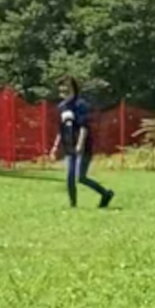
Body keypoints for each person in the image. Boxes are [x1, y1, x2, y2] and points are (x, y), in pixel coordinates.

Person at [53, 77, 114, 209]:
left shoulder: (81, 105)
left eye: (66, 87)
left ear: (73, 88)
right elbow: (61, 129)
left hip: (83, 146)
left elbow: (84, 126)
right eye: (61, 87)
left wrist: (80, 144)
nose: (63, 90)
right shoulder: (62, 107)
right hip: (69, 145)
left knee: (81, 177)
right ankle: (73, 205)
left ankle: (105, 194)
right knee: (69, 177)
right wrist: (55, 146)